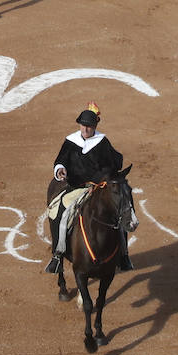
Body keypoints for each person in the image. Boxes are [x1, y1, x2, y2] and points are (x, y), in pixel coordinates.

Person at [44, 103, 133, 274]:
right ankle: (57, 255)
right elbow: (61, 160)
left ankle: (124, 255)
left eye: (89, 126)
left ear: (95, 126)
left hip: (99, 189)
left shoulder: (102, 142)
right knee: (60, 213)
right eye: (83, 125)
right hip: (76, 187)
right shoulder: (71, 141)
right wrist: (60, 169)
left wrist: (100, 181)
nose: (86, 129)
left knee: (119, 211)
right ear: (79, 125)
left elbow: (115, 163)